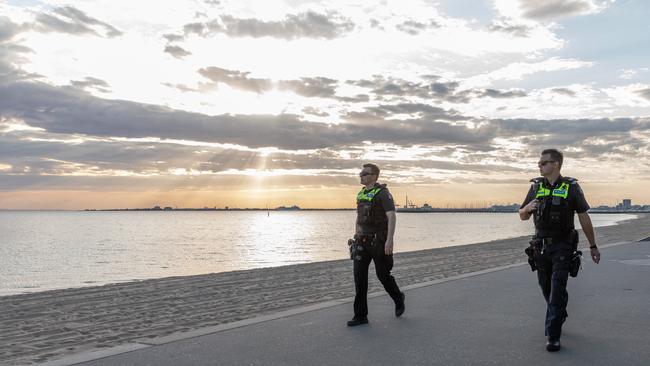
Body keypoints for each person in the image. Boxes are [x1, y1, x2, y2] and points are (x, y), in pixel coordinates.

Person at [519, 149, 601, 352]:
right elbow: (522, 215)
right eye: (539, 163)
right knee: (546, 288)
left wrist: (593, 245)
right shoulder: (536, 186)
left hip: (563, 245)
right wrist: (527, 208)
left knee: (556, 289)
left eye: (544, 163)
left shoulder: (571, 187)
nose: (539, 166)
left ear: (555, 164)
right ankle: (560, 313)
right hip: (540, 245)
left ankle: (552, 335)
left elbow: (583, 216)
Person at [347, 163, 405, 326]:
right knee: (359, 279)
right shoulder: (361, 194)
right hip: (361, 242)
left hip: (378, 242)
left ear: (374, 176)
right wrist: (355, 236)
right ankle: (360, 316)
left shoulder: (383, 194)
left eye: (364, 173)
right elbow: (359, 217)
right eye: (360, 173)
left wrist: (390, 239)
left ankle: (398, 297)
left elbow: (391, 216)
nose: (361, 176)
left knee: (383, 276)